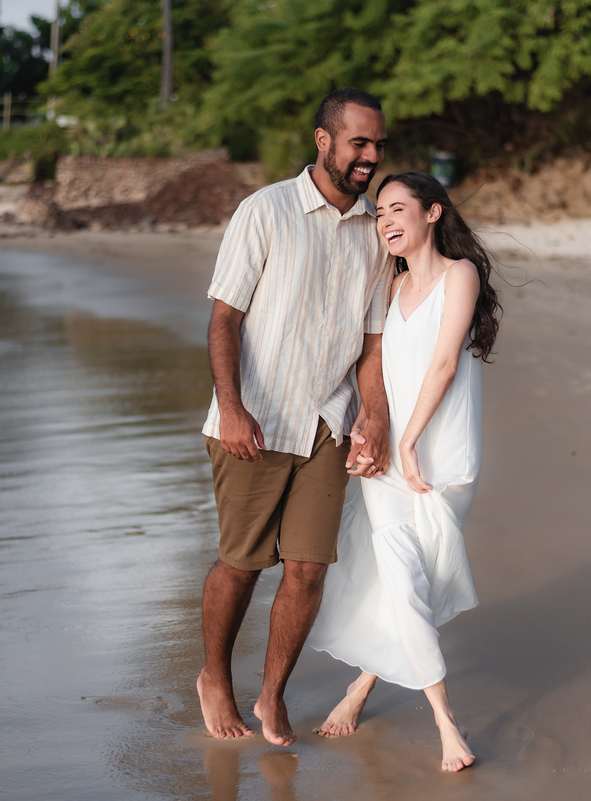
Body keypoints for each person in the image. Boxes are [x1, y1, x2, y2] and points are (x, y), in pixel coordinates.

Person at [197, 88, 394, 746]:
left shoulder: (376, 232)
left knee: (308, 568)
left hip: (328, 425)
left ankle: (272, 693)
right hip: (255, 418)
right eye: (358, 142)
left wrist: (373, 417)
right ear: (323, 140)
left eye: (377, 144)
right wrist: (231, 407)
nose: (369, 155)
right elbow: (224, 315)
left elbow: (372, 345)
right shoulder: (267, 210)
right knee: (243, 562)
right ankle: (214, 678)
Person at [306, 171, 502, 772]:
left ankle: (362, 688)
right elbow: (377, 374)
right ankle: (446, 723)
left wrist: (412, 439)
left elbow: (443, 364)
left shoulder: (458, 276)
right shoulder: (389, 288)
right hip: (390, 463)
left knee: (418, 583)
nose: (387, 220)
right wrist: (372, 431)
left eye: (398, 208)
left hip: (443, 463)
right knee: (402, 583)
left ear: (433, 213)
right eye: (380, 212)